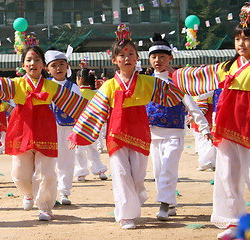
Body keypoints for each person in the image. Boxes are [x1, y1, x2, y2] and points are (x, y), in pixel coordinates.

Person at [68, 24, 184, 229]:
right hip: (116, 136)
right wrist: (78, 135)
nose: (127, 58)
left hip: (140, 134)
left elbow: (174, 95)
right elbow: (94, 111)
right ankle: (126, 215)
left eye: (131, 53)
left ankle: (137, 195)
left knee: (137, 176)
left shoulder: (148, 82)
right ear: (114, 60)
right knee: (121, 174)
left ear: (137, 58)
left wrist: (173, 77)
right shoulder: (109, 85)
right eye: (121, 55)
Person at [0, 39, 88, 221]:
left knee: (46, 172)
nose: (33, 63)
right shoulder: (16, 85)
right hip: (21, 131)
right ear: (23, 65)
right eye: (29, 60)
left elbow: (74, 103)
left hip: (45, 131)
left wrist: (96, 113)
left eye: (37, 60)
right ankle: (28, 193)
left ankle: (45, 207)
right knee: (19, 172)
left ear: (43, 66)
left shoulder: (51, 86)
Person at [172, 4, 250, 238]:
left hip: (247, 128)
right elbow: (201, 75)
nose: (241, 44)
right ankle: (233, 221)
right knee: (227, 175)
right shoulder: (228, 66)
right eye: (238, 38)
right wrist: (175, 74)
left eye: (246, 38)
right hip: (227, 129)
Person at [145, 32, 212, 221]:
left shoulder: (177, 82)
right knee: (158, 171)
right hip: (153, 134)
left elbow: (192, 105)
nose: (158, 60)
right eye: (154, 57)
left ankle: (164, 205)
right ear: (149, 59)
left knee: (168, 168)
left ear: (170, 58)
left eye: (162, 57)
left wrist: (205, 128)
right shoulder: (146, 82)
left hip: (175, 134)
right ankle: (171, 202)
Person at [45, 47, 81, 205]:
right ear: (48, 69)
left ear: (68, 66)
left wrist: (78, 132)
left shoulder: (74, 88)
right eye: (54, 65)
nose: (58, 68)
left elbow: (80, 110)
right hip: (50, 129)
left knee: (67, 161)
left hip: (68, 129)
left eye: (61, 64)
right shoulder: (45, 87)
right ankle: (49, 193)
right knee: (48, 162)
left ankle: (64, 192)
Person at [73, 68, 108, 182]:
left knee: (79, 151)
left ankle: (81, 172)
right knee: (93, 150)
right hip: (92, 126)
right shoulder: (96, 94)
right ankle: (100, 170)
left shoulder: (76, 93)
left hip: (78, 126)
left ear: (80, 79)